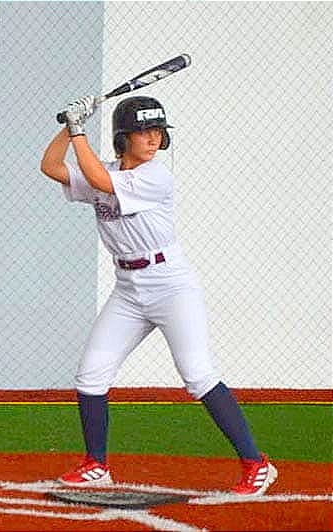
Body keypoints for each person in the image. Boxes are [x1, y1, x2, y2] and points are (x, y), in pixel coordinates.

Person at [40, 95, 277, 496]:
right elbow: (51, 166)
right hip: (129, 290)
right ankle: (97, 464)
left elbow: (99, 181)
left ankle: (257, 464)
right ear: (123, 138)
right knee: (91, 373)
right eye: (142, 131)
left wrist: (80, 129)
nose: (153, 138)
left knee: (198, 375)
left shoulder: (156, 176)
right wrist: (69, 125)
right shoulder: (107, 169)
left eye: (157, 131)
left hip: (170, 284)